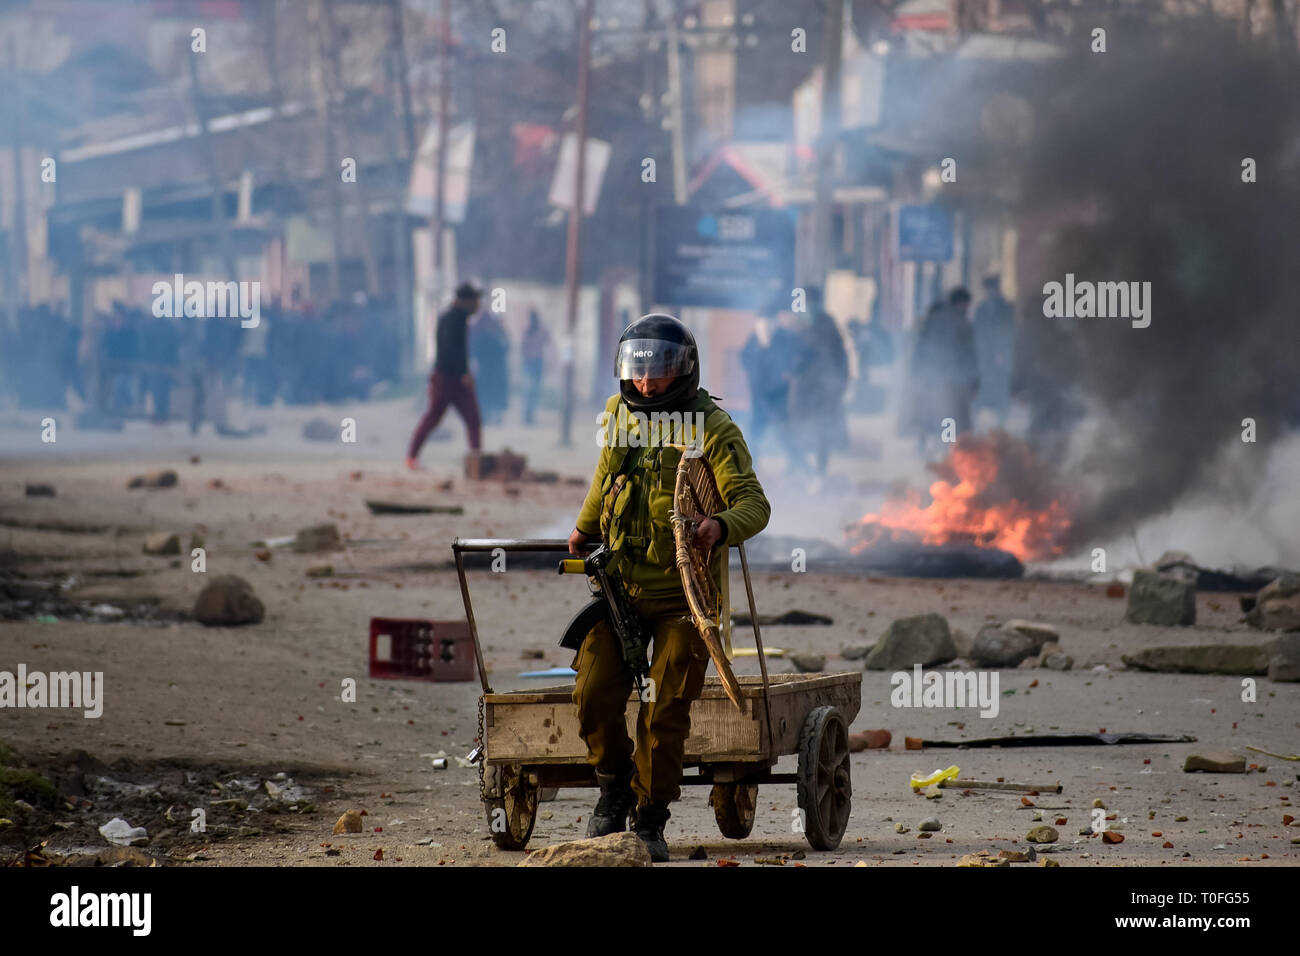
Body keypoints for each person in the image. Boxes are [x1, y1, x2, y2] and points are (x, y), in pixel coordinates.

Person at [567, 313, 771, 861]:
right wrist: (584, 529)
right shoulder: (618, 415)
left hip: (686, 600)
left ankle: (650, 816)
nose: (646, 384)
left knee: (664, 710)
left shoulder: (715, 430)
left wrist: (721, 526)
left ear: (683, 372)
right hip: (620, 592)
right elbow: (605, 477)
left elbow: (755, 504)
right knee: (591, 692)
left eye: (657, 373)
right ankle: (612, 788)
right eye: (637, 372)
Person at [406, 281, 484, 469]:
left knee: (469, 419)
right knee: (441, 417)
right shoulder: (453, 319)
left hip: (450, 377)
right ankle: (412, 457)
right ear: (465, 301)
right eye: (475, 300)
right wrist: (464, 373)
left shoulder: (456, 318)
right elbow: (451, 351)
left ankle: (477, 461)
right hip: (448, 378)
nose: (478, 305)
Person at [908, 287, 979, 455]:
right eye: (966, 305)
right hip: (952, 379)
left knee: (935, 413)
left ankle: (928, 444)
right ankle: (948, 450)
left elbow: (920, 348)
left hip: (931, 378)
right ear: (961, 303)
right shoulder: (960, 323)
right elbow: (969, 353)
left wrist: (917, 372)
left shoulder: (932, 320)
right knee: (950, 415)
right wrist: (974, 381)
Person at [971, 275, 1016, 426]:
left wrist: (1002, 352)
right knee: (983, 390)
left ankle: (1002, 422)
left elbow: (1009, 332)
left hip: (1001, 357)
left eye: (993, 288)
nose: (991, 292)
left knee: (1001, 391)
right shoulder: (981, 309)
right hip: (984, 357)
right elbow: (977, 331)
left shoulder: (1006, 308)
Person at [521, 308, 549, 426]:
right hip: (530, 362)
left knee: (534, 389)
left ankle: (530, 414)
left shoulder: (540, 330)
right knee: (529, 389)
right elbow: (523, 347)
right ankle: (528, 414)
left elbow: (548, 340)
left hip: (537, 362)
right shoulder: (528, 331)